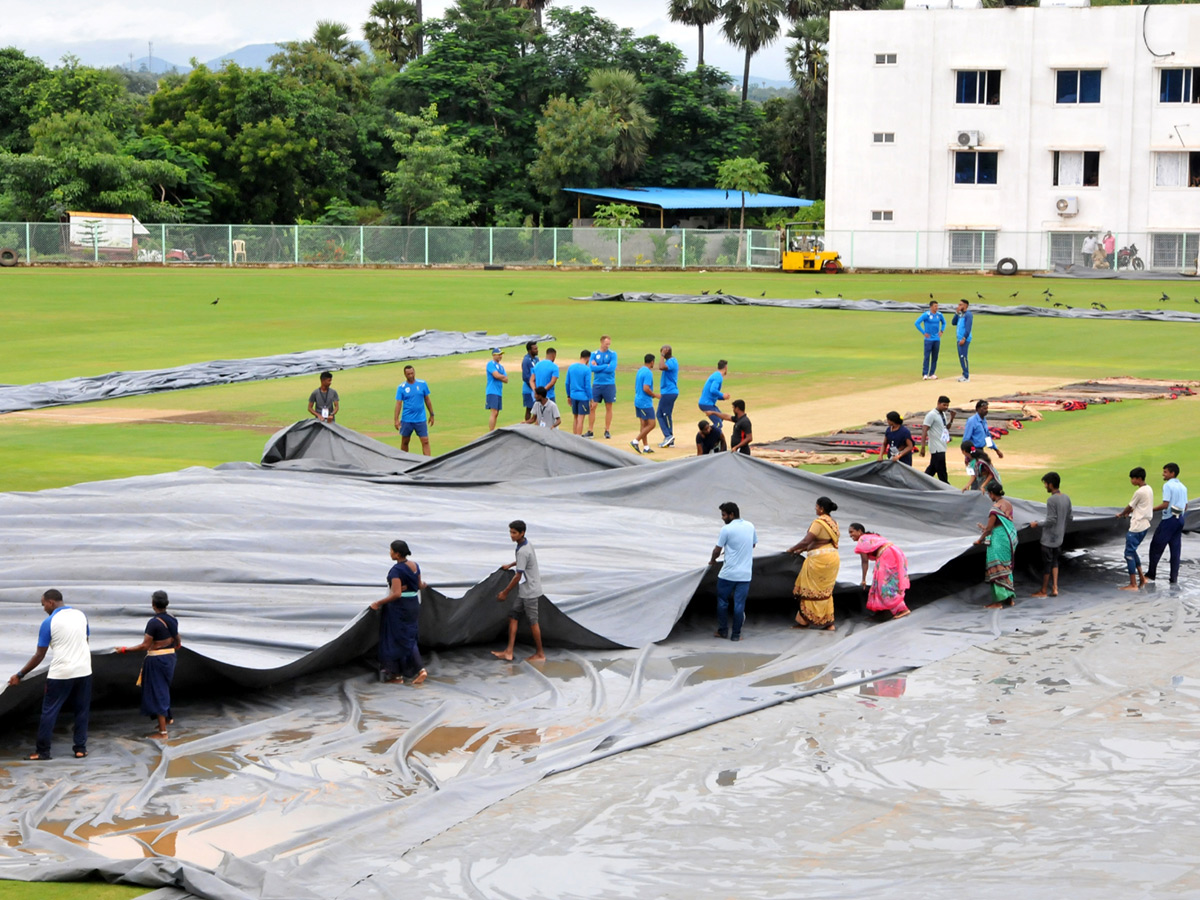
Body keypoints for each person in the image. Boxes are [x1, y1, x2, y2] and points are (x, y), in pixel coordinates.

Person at [9, 589, 92, 760]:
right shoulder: (80, 615)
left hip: (61, 673)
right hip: (84, 670)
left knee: (50, 711)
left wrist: (20, 674)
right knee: (82, 710)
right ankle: (80, 749)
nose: (44, 608)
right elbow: (86, 641)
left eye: (43, 604)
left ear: (51, 602)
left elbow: (39, 655)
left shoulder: (49, 622)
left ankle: (43, 751)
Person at [115, 590, 180, 739]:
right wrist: (176, 645)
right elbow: (177, 637)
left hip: (157, 660)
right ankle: (168, 719)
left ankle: (163, 732)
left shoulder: (153, 623)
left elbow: (145, 645)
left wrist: (124, 649)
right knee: (163, 688)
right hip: (169, 657)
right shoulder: (172, 618)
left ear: (153, 605)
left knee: (158, 692)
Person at [370, 540, 427, 684]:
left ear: (397, 553)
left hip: (399, 608)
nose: (390, 553)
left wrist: (378, 603)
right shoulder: (414, 566)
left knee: (397, 640)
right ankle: (400, 674)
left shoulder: (396, 571)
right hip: (413, 605)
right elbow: (420, 585)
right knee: (409, 637)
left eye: (391, 551)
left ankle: (410, 672)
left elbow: (396, 594)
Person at [494, 520, 546, 662]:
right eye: (510, 532)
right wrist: (510, 564)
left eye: (514, 533)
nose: (511, 535)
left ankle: (540, 654)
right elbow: (523, 561)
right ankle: (508, 651)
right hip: (524, 590)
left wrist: (505, 592)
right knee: (513, 616)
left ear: (522, 533)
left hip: (530, 591)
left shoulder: (523, 550)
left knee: (533, 622)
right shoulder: (525, 545)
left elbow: (518, 576)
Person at [788, 497, 841, 631]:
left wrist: (792, 549)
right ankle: (829, 623)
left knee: (811, 590)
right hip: (832, 558)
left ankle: (804, 622)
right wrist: (802, 550)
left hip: (819, 560)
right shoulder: (833, 523)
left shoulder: (819, 522)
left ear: (821, 508)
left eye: (816, 506)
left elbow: (807, 541)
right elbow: (822, 541)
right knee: (825, 592)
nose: (815, 509)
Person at [707, 502, 757, 641]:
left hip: (727, 575)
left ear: (731, 514)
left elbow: (717, 549)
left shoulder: (726, 529)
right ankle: (736, 635)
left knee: (723, 602)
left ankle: (723, 631)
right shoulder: (750, 526)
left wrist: (712, 560)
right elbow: (753, 544)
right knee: (739, 605)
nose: (722, 518)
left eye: (723, 515)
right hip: (745, 575)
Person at [848, 524, 910, 619]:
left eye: (851, 532)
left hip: (887, 554)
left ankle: (902, 609)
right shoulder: (871, 537)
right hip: (893, 552)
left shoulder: (862, 539)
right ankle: (882, 611)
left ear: (859, 531)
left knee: (885, 584)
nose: (850, 535)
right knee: (879, 583)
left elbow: (864, 561)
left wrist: (863, 579)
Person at [1028, 471, 1072, 598]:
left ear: (1051, 484)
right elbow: (1070, 517)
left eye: (1046, 484)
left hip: (1049, 538)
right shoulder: (1066, 498)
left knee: (1047, 564)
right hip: (1059, 537)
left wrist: (1037, 524)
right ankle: (1055, 588)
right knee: (1055, 562)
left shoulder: (1052, 500)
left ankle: (1043, 590)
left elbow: (1051, 520)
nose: (1045, 486)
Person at [974, 484, 1018, 608]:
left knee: (996, 567)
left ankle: (998, 602)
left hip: (998, 540)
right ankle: (1009, 598)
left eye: (989, 494)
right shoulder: (1008, 504)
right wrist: (986, 528)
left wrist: (980, 540)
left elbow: (989, 529)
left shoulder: (995, 508)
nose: (989, 496)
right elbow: (1003, 522)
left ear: (992, 493)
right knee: (1006, 567)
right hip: (1008, 538)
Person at [1146, 463, 1188, 585]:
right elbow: (1185, 506)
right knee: (1175, 549)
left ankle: (1151, 574)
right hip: (1179, 519)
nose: (1163, 474)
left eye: (1165, 472)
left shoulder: (1168, 486)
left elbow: (1165, 504)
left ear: (1172, 473)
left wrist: (1150, 509)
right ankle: (1174, 577)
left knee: (1156, 546)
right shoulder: (1183, 487)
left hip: (1169, 520)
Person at [1116, 467, 1153, 590]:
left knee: (1128, 554)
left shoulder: (1139, 492)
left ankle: (1133, 584)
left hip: (1137, 526)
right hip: (1145, 525)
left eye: (1132, 478)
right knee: (1133, 551)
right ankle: (1141, 577)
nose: (1131, 481)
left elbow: (1130, 506)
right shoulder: (1149, 489)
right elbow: (1139, 506)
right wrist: (1129, 511)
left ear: (1138, 479)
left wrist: (1121, 514)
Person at [394, 365, 434, 455]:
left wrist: (432, 414)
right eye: (408, 374)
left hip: (420, 419)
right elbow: (398, 404)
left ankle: (428, 462)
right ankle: (404, 461)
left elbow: (427, 399)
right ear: (405, 375)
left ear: (414, 372)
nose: (411, 375)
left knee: (425, 441)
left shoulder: (422, 384)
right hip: (407, 420)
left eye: (412, 373)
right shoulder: (401, 387)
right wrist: (396, 420)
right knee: (405, 441)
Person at [919, 395, 956, 483]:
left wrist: (952, 418)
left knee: (932, 469)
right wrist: (923, 447)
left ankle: (921, 483)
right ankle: (947, 487)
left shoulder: (942, 414)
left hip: (941, 445)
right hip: (936, 447)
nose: (946, 407)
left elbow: (946, 427)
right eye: (944, 405)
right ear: (938, 403)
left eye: (947, 405)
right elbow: (924, 430)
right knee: (942, 471)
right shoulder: (931, 415)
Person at [587, 335, 618, 439]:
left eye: (609, 344)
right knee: (593, 406)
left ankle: (607, 430)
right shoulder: (594, 354)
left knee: (608, 407)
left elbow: (612, 368)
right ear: (601, 342)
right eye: (606, 344)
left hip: (609, 384)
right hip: (597, 384)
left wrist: (599, 367)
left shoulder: (613, 354)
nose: (607, 346)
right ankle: (590, 430)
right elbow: (592, 368)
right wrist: (606, 366)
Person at [631, 353, 659, 453]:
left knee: (644, 424)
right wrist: (655, 395)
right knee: (652, 424)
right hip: (645, 403)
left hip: (638, 400)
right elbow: (646, 388)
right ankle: (635, 441)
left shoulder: (640, 370)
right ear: (652, 362)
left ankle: (646, 447)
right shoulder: (648, 373)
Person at [914, 300, 946, 380]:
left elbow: (944, 323)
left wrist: (942, 331)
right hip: (928, 339)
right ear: (931, 307)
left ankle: (932, 373)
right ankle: (925, 374)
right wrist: (923, 332)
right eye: (935, 306)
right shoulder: (926, 315)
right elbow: (917, 323)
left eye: (937, 306)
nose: (937, 307)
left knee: (935, 357)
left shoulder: (939, 315)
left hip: (937, 339)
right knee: (927, 356)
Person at [656, 344, 679, 448]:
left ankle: (669, 436)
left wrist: (661, 355)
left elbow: (661, 367)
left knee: (665, 414)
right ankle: (669, 438)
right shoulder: (670, 361)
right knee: (660, 414)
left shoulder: (672, 362)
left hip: (669, 392)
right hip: (667, 392)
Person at [565, 350, 593, 435]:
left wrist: (568, 396)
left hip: (573, 396)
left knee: (575, 418)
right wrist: (591, 398)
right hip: (583, 397)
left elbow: (567, 383)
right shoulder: (587, 369)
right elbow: (587, 386)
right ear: (588, 358)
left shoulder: (571, 367)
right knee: (581, 419)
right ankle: (578, 438)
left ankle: (574, 437)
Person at [698, 360, 731, 431]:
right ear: (726, 367)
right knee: (718, 424)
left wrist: (723, 397)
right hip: (706, 404)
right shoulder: (718, 377)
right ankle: (710, 438)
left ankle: (708, 433)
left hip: (707, 403)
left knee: (721, 418)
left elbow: (713, 393)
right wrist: (722, 394)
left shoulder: (716, 375)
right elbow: (713, 390)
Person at [485, 348, 508, 432]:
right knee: (494, 412)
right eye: (499, 354)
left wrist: (500, 376)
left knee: (497, 413)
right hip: (492, 391)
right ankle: (491, 431)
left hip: (498, 392)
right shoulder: (490, 364)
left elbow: (506, 380)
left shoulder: (501, 367)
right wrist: (501, 376)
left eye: (501, 354)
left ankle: (492, 430)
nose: (500, 356)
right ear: (494, 355)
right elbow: (496, 375)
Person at [951, 299, 974, 383]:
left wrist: (964, 338)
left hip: (965, 339)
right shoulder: (961, 315)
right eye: (958, 304)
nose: (959, 306)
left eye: (960, 305)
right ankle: (964, 374)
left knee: (963, 357)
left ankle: (966, 376)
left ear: (965, 306)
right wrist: (956, 313)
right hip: (959, 339)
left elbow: (968, 328)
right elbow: (953, 323)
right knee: (961, 357)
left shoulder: (968, 315)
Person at [521, 340, 539, 423]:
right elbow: (525, 377)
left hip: (536, 388)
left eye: (537, 348)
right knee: (529, 408)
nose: (537, 350)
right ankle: (527, 427)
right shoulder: (526, 361)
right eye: (534, 349)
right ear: (529, 350)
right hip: (528, 390)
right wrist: (533, 387)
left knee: (538, 408)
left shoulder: (536, 359)